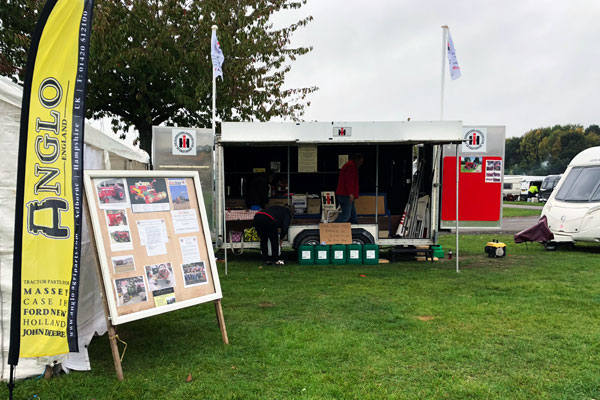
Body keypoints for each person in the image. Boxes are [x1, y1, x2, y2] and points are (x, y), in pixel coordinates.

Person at [335, 153, 364, 223]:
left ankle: (355, 228)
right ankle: (333, 228)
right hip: (346, 194)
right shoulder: (350, 166)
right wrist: (351, 193)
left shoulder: (349, 165)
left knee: (352, 215)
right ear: (357, 160)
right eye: (361, 161)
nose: (361, 163)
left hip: (345, 194)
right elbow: (349, 181)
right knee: (346, 216)